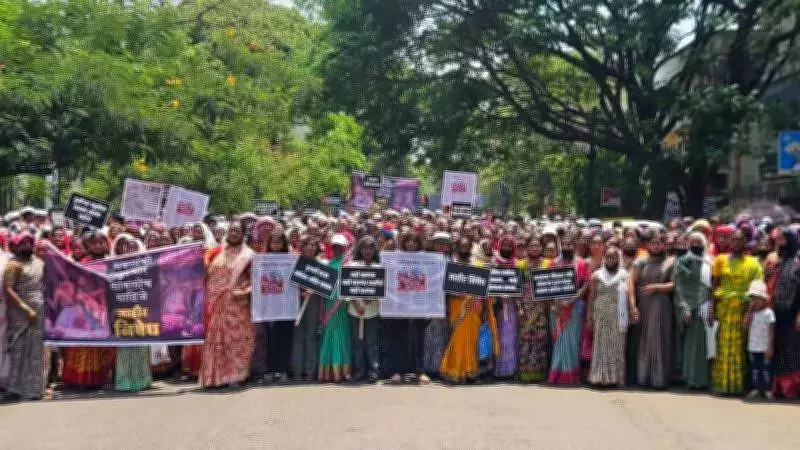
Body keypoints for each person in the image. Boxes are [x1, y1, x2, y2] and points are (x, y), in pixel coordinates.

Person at [200, 221, 255, 388]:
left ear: (243, 234)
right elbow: (204, 273)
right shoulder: (216, 251)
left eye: (238, 231)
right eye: (232, 230)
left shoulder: (248, 255)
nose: (234, 233)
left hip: (238, 305)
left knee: (236, 341)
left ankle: (235, 376)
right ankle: (214, 378)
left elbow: (256, 280)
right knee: (216, 340)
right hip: (216, 304)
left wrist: (244, 290)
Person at [711, 228, 763, 395]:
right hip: (724, 309)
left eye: (740, 239)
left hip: (743, 309)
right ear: (729, 241)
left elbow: (756, 290)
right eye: (733, 239)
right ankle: (723, 385)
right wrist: (711, 308)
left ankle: (739, 386)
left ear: (745, 242)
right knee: (723, 346)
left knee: (740, 348)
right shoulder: (720, 260)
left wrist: (750, 312)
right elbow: (714, 285)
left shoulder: (753, 263)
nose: (736, 242)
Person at [61, 231, 116, 389]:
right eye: (94, 243)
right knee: (85, 344)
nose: (98, 245)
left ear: (107, 244)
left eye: (101, 242)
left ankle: (99, 378)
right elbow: (77, 288)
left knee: (102, 345)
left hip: (106, 309)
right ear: (87, 246)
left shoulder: (113, 262)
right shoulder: (83, 264)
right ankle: (81, 379)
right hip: (85, 310)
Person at [440, 237, 498, 383]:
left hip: (474, 307)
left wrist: (484, 305)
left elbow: (483, 287)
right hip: (456, 305)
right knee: (458, 338)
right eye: (462, 246)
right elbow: (446, 288)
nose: (464, 249)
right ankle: (454, 370)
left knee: (472, 340)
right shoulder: (451, 265)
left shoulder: (476, 265)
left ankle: (470, 371)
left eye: (467, 247)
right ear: (457, 248)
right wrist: (455, 292)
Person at [628, 230, 674, 389]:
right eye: (653, 243)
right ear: (647, 244)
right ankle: (643, 377)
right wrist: (633, 306)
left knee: (661, 340)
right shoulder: (640, 261)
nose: (656, 246)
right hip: (644, 306)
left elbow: (674, 284)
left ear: (664, 244)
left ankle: (660, 379)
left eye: (659, 243)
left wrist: (657, 287)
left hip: (662, 307)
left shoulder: (670, 262)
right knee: (643, 340)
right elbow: (631, 284)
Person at [2, 232, 45, 400]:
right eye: (23, 243)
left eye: (29, 243)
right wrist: (26, 309)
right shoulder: (13, 265)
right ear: (16, 246)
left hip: (39, 311)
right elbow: (8, 289)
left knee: (35, 351)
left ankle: (34, 389)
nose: (27, 246)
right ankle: (15, 389)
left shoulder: (40, 263)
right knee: (19, 350)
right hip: (20, 313)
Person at [111, 234, 152, 392]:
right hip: (122, 311)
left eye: (134, 248)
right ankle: (124, 381)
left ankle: (142, 380)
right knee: (124, 346)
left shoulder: (148, 267)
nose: (131, 250)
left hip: (141, 311)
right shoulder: (115, 266)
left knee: (141, 345)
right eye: (128, 248)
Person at [546, 234, 590, 385]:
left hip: (574, 308)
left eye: (569, 245)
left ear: (574, 246)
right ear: (560, 246)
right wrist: (554, 302)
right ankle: (556, 375)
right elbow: (547, 285)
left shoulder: (581, 263)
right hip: (557, 309)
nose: (566, 247)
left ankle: (571, 376)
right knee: (558, 342)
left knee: (572, 342)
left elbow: (586, 284)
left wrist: (574, 298)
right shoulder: (554, 263)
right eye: (564, 245)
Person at [673, 232, 712, 389]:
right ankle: (693, 380)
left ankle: (704, 379)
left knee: (706, 345)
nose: (696, 243)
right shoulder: (683, 261)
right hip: (691, 308)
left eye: (699, 241)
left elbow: (712, 284)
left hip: (707, 306)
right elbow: (680, 287)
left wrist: (711, 304)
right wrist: (685, 308)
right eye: (693, 241)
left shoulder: (710, 261)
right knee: (693, 346)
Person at [766, 227, 800, 399]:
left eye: (783, 240)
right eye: (778, 240)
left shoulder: (798, 261)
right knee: (779, 350)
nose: (779, 243)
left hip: (792, 312)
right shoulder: (778, 260)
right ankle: (780, 389)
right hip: (776, 311)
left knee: (793, 350)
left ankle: (793, 389)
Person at [587, 247, 628, 387]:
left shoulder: (624, 275)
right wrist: (589, 317)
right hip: (601, 314)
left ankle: (614, 379)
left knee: (616, 347)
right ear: (604, 258)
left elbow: (630, 296)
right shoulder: (597, 275)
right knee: (600, 346)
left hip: (617, 315)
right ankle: (599, 377)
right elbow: (591, 297)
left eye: (614, 257)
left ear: (618, 259)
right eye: (609, 257)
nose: (611, 260)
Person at [317, 234, 351, 382]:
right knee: (329, 335)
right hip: (328, 302)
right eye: (335, 246)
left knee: (341, 335)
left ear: (345, 248)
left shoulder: (349, 263)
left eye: (340, 247)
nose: (337, 249)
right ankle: (328, 372)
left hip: (342, 304)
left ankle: (341, 372)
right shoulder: (326, 263)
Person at [347, 236, 381, 383]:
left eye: (371, 248)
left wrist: (372, 297)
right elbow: (347, 285)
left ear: (375, 250)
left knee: (371, 341)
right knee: (357, 341)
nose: (368, 251)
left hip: (372, 310)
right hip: (356, 310)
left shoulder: (379, 268)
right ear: (359, 250)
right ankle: (359, 370)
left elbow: (381, 288)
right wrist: (356, 303)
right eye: (365, 248)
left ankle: (373, 370)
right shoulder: (351, 265)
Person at [517, 235, 550, 382]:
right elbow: (516, 289)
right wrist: (520, 307)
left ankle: (539, 373)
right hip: (525, 306)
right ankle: (525, 373)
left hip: (541, 307)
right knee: (526, 340)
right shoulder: (521, 265)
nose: (535, 248)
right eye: (532, 246)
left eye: (537, 246)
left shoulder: (547, 264)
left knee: (540, 340)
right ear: (527, 248)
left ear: (541, 248)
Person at [422, 232, 453, 381]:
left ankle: (439, 367)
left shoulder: (451, 260)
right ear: (432, 244)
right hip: (427, 302)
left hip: (444, 302)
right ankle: (427, 368)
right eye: (439, 243)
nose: (442, 246)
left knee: (442, 336)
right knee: (428, 336)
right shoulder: (424, 258)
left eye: (445, 243)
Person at [290, 234, 321, 382]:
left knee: (311, 335)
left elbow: (325, 284)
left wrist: (314, 290)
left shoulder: (321, 264)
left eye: (313, 245)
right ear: (302, 247)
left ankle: (310, 370)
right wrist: (299, 292)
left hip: (313, 301)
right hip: (295, 301)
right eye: (307, 244)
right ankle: (297, 370)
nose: (310, 247)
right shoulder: (295, 262)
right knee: (298, 335)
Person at [492, 235, 518, 378]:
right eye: (504, 245)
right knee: (496, 337)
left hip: (510, 306)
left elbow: (518, 285)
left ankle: (509, 369)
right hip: (495, 306)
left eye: (509, 245)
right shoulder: (493, 261)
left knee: (509, 338)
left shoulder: (516, 264)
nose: (506, 248)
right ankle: (494, 368)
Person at [745, 280, 775, 400]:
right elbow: (745, 325)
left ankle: (767, 389)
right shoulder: (752, 314)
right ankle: (756, 388)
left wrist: (770, 346)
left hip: (764, 347)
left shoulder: (768, 313)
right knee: (755, 369)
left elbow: (771, 331)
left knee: (766, 370)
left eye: (758, 298)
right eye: (752, 298)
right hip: (753, 347)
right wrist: (749, 311)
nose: (755, 301)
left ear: (764, 300)